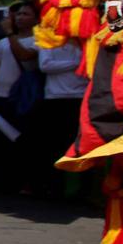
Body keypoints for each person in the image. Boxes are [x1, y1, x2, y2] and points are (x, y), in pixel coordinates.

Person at [0, 2, 39, 193]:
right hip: (0, 95)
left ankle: (25, 182)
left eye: (26, 14)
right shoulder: (2, 43)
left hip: (23, 97)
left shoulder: (38, 40)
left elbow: (24, 56)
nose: (20, 17)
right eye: (19, 14)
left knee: (23, 141)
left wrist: (9, 34)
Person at [35, 38, 88, 197]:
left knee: (79, 145)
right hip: (54, 97)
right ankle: (53, 187)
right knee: (54, 145)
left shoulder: (85, 41)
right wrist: (76, 62)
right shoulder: (48, 39)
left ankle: (80, 189)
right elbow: (45, 65)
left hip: (80, 97)